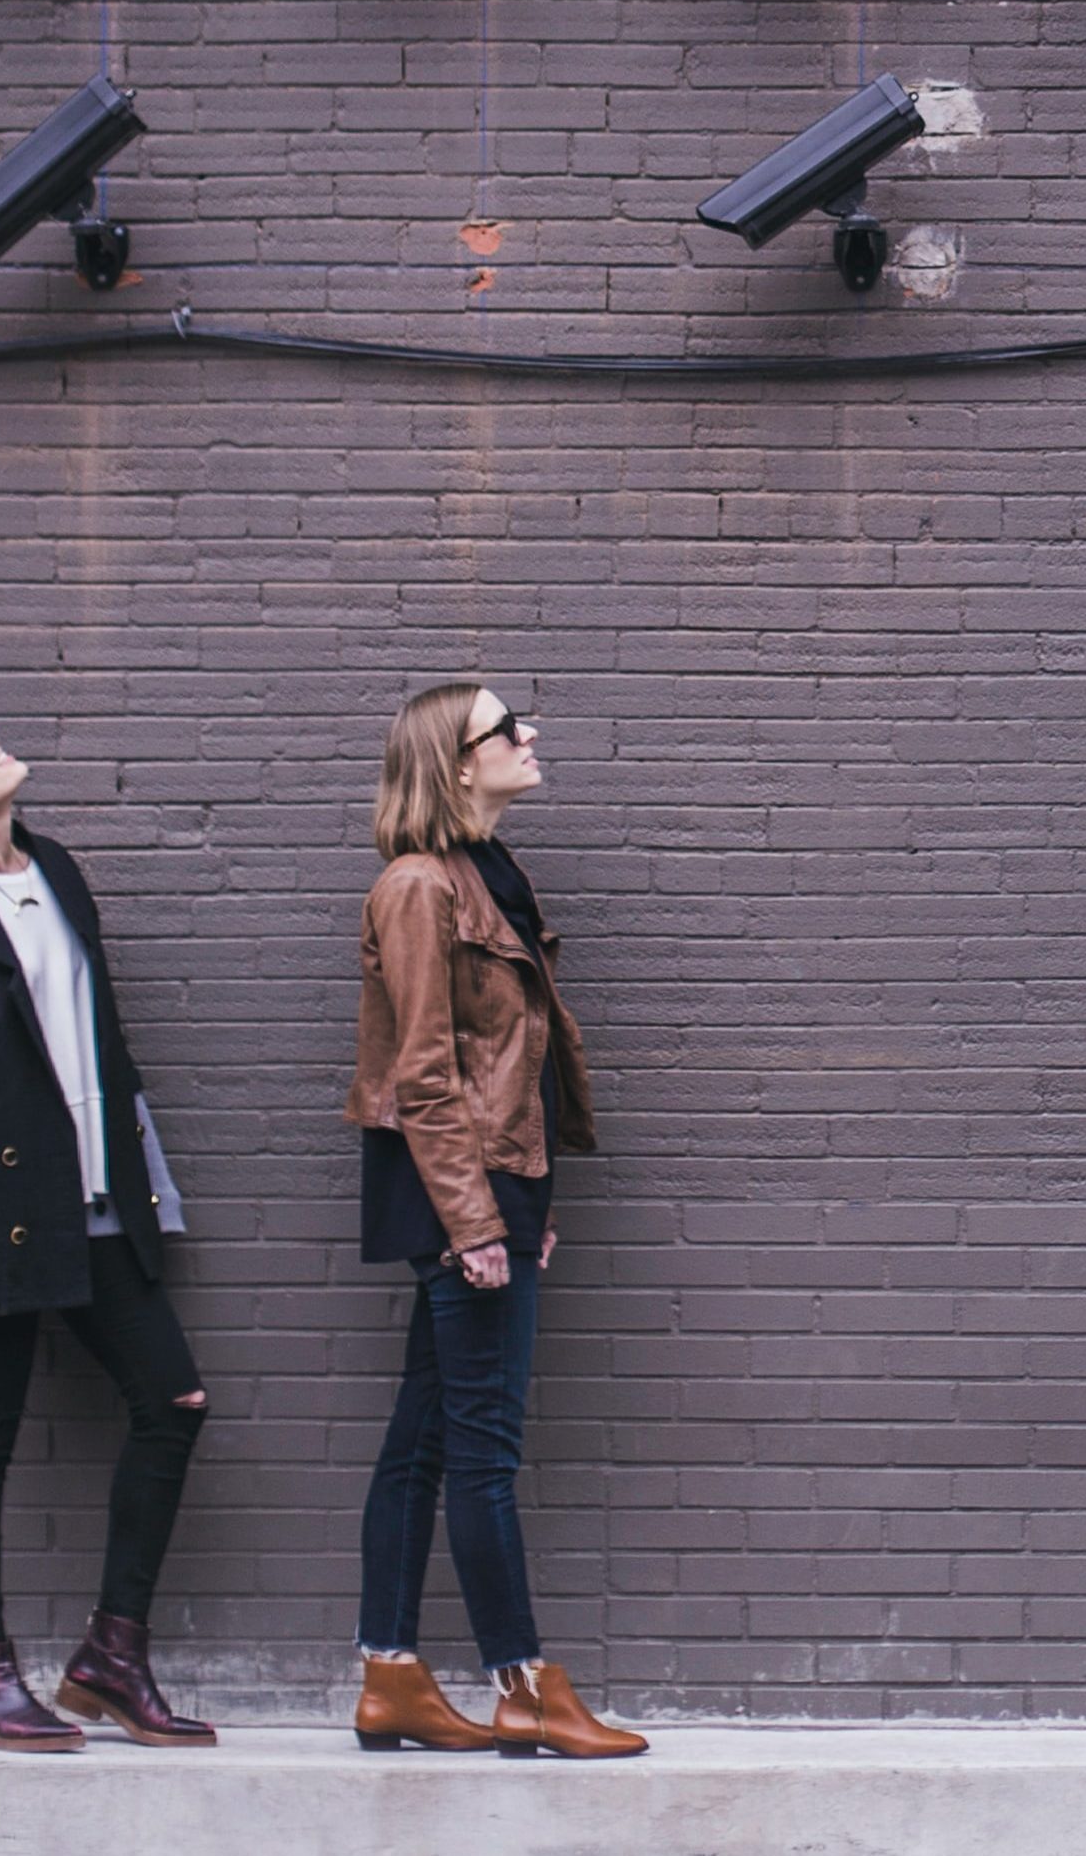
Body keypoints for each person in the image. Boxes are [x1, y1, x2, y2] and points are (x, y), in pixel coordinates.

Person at [0, 718, 217, 1751]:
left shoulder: (55, 869)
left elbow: (103, 1036)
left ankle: (111, 1656)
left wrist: (152, 1184)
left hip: (99, 1200)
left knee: (174, 1401)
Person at [347, 681, 646, 1760]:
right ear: (456, 762)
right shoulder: (419, 888)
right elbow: (424, 1074)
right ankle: (522, 1683)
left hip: (488, 1185)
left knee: (423, 1442)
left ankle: (387, 1675)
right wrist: (478, 1220)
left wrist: (530, 1199)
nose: (530, 735)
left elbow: (509, 1066)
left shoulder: (485, 872)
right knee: (482, 1451)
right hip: (455, 1193)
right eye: (506, 726)